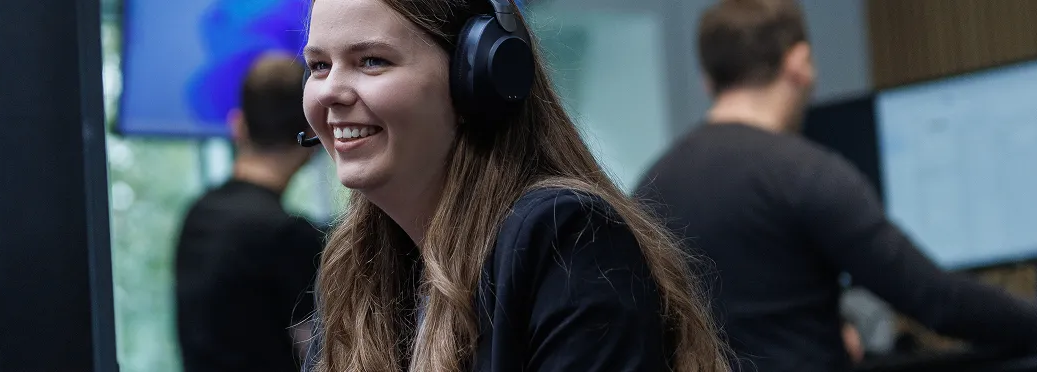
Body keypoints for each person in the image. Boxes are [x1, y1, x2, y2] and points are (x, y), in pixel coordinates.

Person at [635, 0, 1037, 371]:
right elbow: (939, 303)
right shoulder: (805, 172)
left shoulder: (651, 187)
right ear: (800, 64)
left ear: (709, 78)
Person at [297, 0, 731, 370]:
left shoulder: (564, 235)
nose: (330, 91)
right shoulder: (352, 267)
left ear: (475, 79)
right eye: (318, 66)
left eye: (372, 61)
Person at [174, 53, 323, 372]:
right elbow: (318, 357)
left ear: (238, 125)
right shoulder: (289, 236)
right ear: (311, 133)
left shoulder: (198, 215)